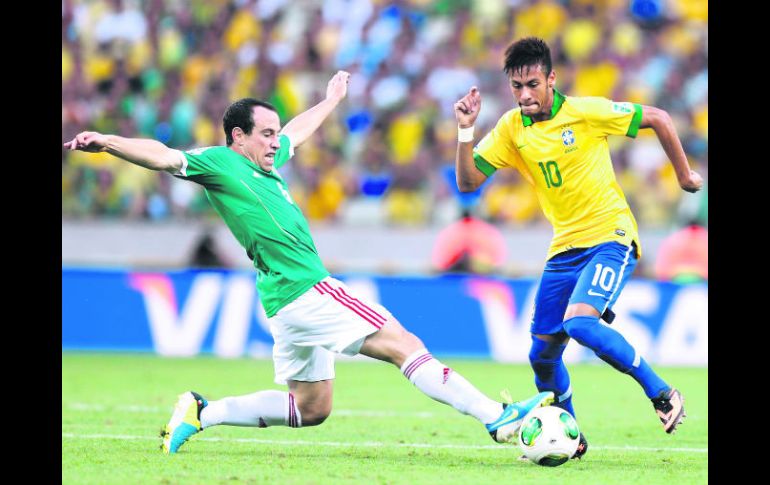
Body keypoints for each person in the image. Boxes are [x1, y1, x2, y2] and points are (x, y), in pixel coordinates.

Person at [64, 70, 553, 455]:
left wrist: (331, 102)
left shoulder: (267, 165)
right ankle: (497, 417)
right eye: (266, 134)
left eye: (276, 134)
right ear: (238, 137)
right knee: (406, 345)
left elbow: (299, 131)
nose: (276, 142)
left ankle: (200, 412)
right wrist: (108, 142)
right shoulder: (221, 162)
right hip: (308, 289)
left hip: (282, 302)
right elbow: (164, 156)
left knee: (310, 409)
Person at [453, 38, 703, 459]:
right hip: (564, 248)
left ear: (551, 79)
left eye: (533, 83)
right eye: (516, 87)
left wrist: (683, 177)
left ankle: (662, 393)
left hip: (611, 236)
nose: (525, 95)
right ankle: (574, 438)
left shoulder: (586, 113)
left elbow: (658, 118)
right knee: (542, 357)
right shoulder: (512, 128)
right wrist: (464, 130)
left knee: (581, 325)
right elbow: (467, 183)